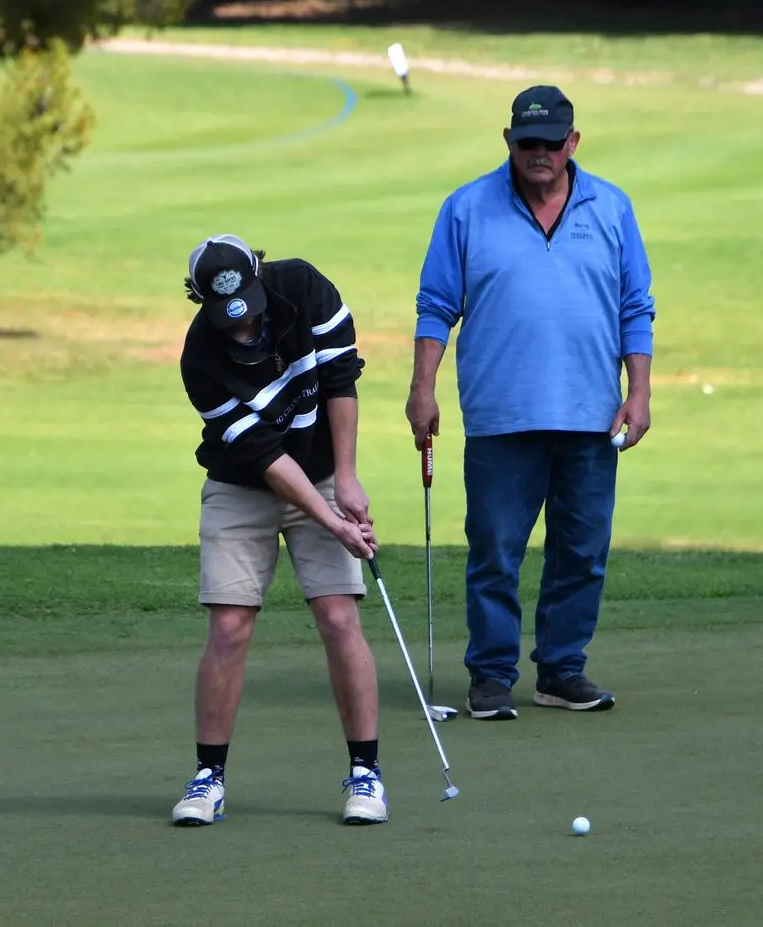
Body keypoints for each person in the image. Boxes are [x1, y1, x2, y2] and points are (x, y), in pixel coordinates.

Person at [405, 84, 656, 721]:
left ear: (573, 143)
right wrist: (422, 388)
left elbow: (635, 308)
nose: (538, 154)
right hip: (500, 413)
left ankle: (560, 671)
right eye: (526, 143)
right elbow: (436, 306)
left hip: (591, 413)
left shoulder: (612, 207)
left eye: (551, 143)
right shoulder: (466, 208)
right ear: (509, 142)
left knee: (582, 549)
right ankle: (490, 675)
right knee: (494, 548)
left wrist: (640, 392)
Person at [170, 233, 389, 826]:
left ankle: (365, 774)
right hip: (243, 483)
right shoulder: (201, 361)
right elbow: (265, 455)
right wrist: (332, 523)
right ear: (200, 301)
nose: (243, 331)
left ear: (258, 276)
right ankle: (208, 778)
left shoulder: (306, 289)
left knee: (339, 614)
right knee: (231, 622)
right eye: (227, 322)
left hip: (321, 471)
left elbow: (341, 379)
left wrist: (346, 479)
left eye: (248, 312)